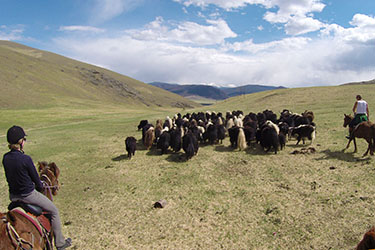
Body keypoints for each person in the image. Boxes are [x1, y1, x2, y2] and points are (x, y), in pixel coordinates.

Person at [2, 125, 72, 250]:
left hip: (13, 197)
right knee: (54, 211)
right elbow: (38, 183)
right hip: (29, 195)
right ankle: (60, 243)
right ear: (20, 142)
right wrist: (38, 186)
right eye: (24, 139)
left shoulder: (5, 158)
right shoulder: (26, 159)